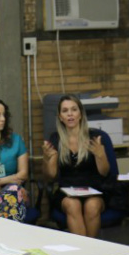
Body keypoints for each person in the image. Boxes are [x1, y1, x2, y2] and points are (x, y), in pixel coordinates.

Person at [42, 95, 110, 237]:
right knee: (73, 205)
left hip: (94, 190)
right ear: (60, 117)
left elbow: (104, 173)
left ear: (80, 114)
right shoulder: (56, 139)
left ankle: (91, 250)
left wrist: (100, 155)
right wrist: (49, 158)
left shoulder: (94, 137)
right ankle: (83, 252)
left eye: (74, 109)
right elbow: (51, 176)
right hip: (67, 192)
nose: (70, 114)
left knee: (91, 206)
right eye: (65, 111)